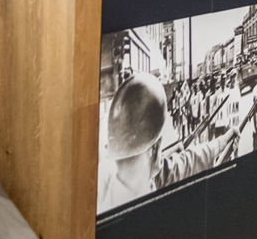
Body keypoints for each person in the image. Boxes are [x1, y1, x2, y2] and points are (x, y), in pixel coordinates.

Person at [98, 73, 238, 212]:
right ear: (155, 149)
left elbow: (181, 164)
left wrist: (220, 142)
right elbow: (177, 167)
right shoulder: (152, 182)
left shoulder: (107, 190)